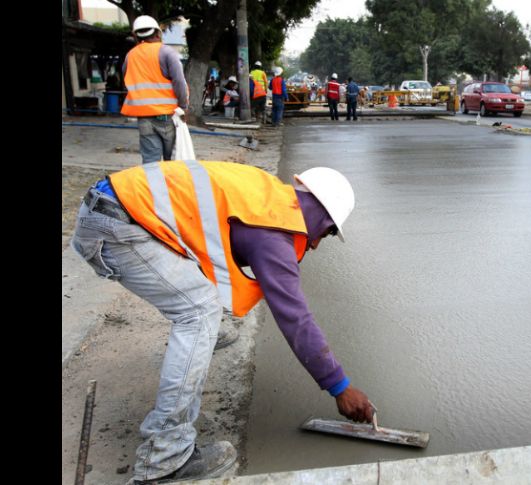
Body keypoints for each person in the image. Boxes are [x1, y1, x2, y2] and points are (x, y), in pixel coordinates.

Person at [70, 161, 375, 484]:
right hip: (117, 229)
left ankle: (197, 349)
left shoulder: (264, 194)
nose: (315, 244)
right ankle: (164, 458)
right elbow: (295, 318)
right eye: (326, 233)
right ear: (322, 216)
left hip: (115, 210)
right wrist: (339, 386)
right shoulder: (272, 234)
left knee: (201, 307)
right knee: (199, 313)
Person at [121, 15, 189, 164]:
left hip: (144, 119)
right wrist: (183, 107)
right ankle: (170, 186)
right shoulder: (167, 53)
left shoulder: (130, 56)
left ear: (135, 35)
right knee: (172, 162)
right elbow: (179, 82)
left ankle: (154, 187)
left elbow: (126, 79)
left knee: (151, 164)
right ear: (158, 33)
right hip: (168, 117)